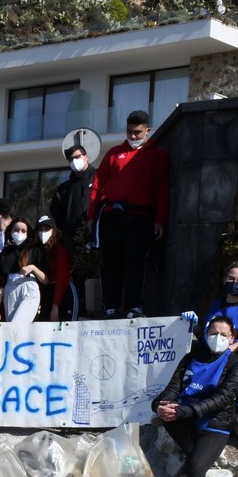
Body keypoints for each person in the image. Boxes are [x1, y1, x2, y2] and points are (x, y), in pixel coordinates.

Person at [152, 316, 238, 477]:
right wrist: (158, 405)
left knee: (194, 467)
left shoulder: (236, 364)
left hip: (214, 425)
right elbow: (173, 387)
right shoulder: (191, 357)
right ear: (205, 334)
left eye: (223, 335)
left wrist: (185, 411)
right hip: (186, 419)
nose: (217, 338)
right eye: (213, 333)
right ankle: (196, 453)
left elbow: (223, 398)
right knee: (165, 417)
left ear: (232, 338)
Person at [87, 110, 170, 318]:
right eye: (129, 131)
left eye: (137, 132)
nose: (133, 136)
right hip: (110, 215)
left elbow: (162, 189)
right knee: (110, 262)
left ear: (147, 130)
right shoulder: (114, 153)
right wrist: (92, 217)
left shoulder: (159, 156)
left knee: (134, 261)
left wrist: (160, 219)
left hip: (140, 216)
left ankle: (134, 306)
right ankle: (111, 307)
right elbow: (97, 185)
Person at [0, 218, 42, 325]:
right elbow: (0, 281)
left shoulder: (34, 250)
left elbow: (45, 279)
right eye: (16, 230)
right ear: (10, 231)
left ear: (28, 233)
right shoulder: (5, 253)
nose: (19, 233)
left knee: (17, 324)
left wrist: (33, 268)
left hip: (29, 288)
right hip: (10, 289)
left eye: (23, 231)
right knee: (12, 328)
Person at [51, 143, 95, 252]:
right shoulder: (64, 188)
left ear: (86, 157)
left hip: (93, 236)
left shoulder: (98, 178)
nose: (74, 161)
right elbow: (56, 213)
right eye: (70, 159)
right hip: (70, 241)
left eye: (77, 157)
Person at [30, 215, 76, 321]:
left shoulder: (59, 248)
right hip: (47, 293)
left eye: (46, 229)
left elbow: (62, 277)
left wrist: (55, 305)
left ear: (54, 230)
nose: (43, 232)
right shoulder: (38, 250)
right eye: (40, 229)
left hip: (63, 292)